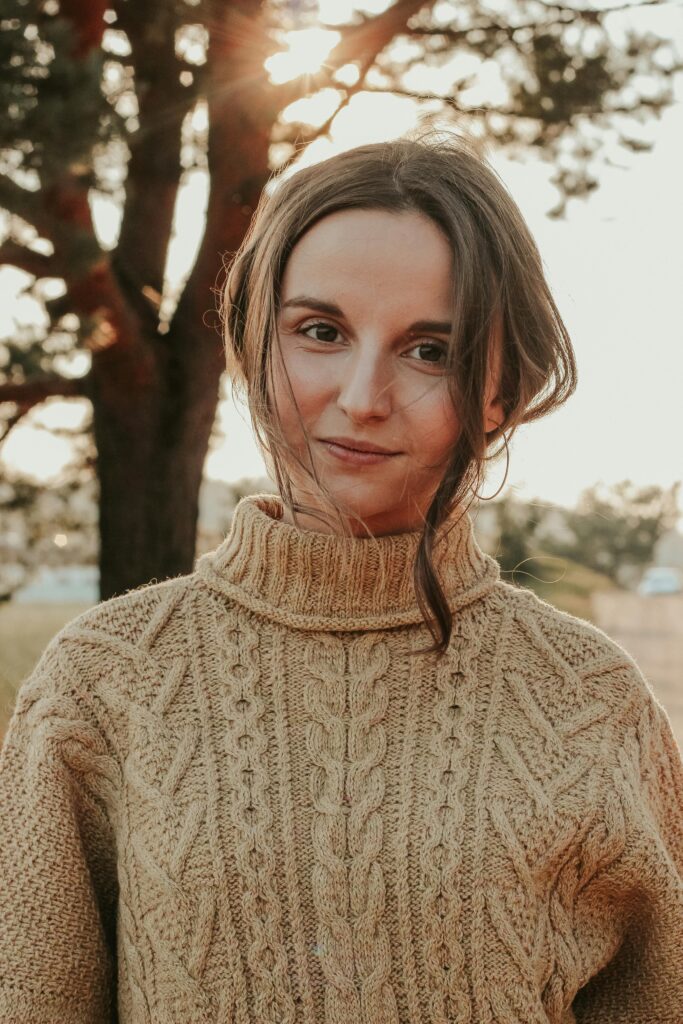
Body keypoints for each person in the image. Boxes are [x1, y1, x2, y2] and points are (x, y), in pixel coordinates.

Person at [0, 132, 681, 1024]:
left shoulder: (590, 701)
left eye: (429, 350)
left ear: (499, 393)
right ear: (253, 344)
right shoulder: (102, 681)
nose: (362, 397)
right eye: (319, 332)